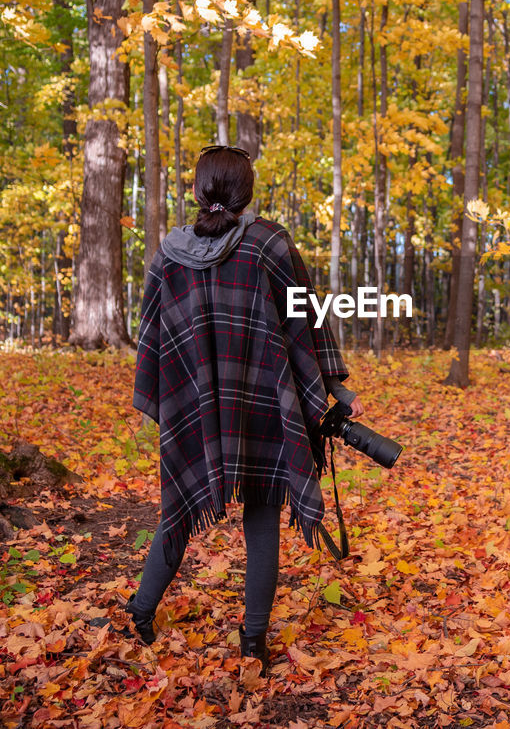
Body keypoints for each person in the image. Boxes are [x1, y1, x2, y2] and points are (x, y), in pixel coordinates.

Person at [123, 144, 362, 670]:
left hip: (195, 401)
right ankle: (252, 640)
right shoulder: (268, 244)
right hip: (260, 399)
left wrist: (167, 396)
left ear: (197, 190)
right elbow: (307, 317)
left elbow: (151, 337)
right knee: (262, 516)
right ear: (246, 193)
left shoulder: (168, 254)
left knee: (179, 506)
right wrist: (330, 388)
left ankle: (140, 612)